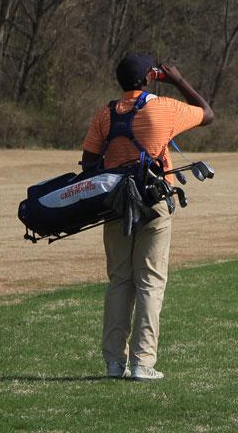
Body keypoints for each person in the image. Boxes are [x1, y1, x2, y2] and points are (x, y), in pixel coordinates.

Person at [81, 54, 214, 381]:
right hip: (155, 202)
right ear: (148, 78)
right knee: (150, 283)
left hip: (115, 205)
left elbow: (88, 162)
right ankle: (142, 363)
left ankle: (114, 363)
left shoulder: (105, 114)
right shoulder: (164, 107)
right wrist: (179, 81)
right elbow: (208, 114)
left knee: (120, 282)